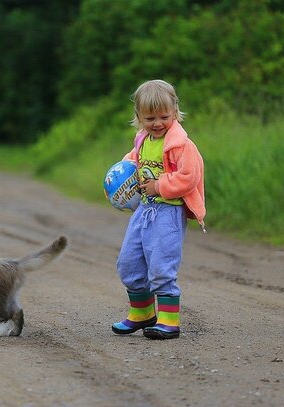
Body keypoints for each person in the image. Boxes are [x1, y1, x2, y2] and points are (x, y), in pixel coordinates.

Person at [111, 79, 206, 340]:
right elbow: (133, 160)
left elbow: (189, 176)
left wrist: (159, 185)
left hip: (168, 213)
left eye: (164, 116)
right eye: (150, 117)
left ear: (175, 111)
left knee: (161, 265)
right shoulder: (143, 139)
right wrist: (120, 175)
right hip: (144, 211)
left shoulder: (181, 145)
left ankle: (168, 321)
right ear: (139, 116)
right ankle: (142, 314)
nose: (157, 123)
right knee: (129, 262)